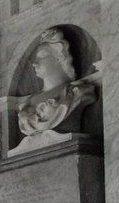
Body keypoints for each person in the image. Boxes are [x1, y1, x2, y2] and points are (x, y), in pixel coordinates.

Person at [10, 27, 97, 155]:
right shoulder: (28, 102)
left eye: (42, 56)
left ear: (60, 58)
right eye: (35, 58)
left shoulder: (76, 92)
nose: (34, 63)